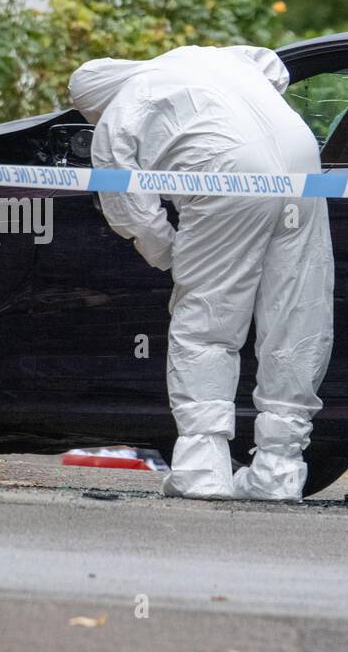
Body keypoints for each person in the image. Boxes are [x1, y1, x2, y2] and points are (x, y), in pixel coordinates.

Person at [68, 45, 334, 502]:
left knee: (208, 323)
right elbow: (274, 67)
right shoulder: (204, 57)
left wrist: (171, 254)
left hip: (225, 171)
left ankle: (202, 468)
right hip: (299, 157)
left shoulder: (122, 108)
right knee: (297, 315)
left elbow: (127, 203)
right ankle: (279, 470)